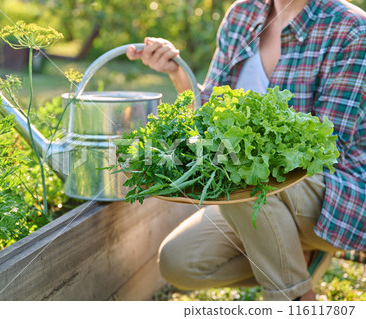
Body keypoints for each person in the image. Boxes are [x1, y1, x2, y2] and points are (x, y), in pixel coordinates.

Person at [126, 0, 365, 301]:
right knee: (179, 263)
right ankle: (294, 255)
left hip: (334, 194)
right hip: (255, 192)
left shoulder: (351, 28)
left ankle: (296, 298)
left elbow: (330, 145)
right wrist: (177, 72)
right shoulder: (242, 14)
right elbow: (208, 113)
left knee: (238, 170)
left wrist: (243, 147)